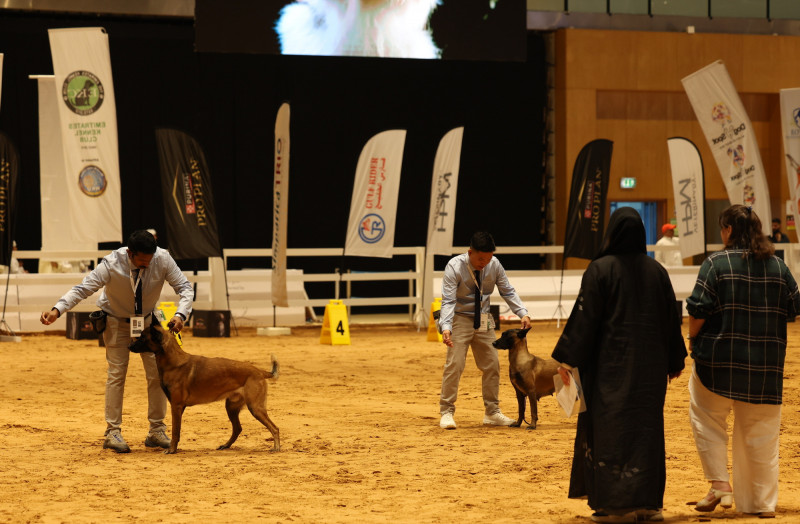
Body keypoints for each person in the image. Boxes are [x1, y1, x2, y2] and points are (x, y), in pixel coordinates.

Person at [552, 207, 687, 523]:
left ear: (611, 233)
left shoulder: (599, 270)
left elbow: (585, 320)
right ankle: (648, 505)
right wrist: (674, 359)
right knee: (646, 431)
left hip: (607, 370)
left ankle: (610, 505)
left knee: (608, 429)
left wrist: (568, 359)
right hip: (649, 371)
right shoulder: (657, 272)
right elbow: (671, 320)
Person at [686, 205, 800, 516]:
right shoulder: (778, 266)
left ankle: (720, 483)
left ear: (728, 230)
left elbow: (697, 311)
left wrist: (693, 339)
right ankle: (762, 504)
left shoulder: (715, 263)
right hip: (765, 368)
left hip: (717, 364)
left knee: (706, 418)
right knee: (762, 435)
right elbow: (794, 306)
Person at [40, 230, 194, 453]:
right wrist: (57, 310)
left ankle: (157, 430)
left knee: (157, 376)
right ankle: (112, 432)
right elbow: (83, 289)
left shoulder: (162, 258)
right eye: (142, 261)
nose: (147, 265)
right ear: (130, 253)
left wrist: (180, 314)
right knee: (116, 374)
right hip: (116, 321)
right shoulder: (111, 263)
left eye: (150, 260)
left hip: (148, 323)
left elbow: (185, 287)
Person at [437, 231, 531, 430]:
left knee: (492, 365)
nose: (484, 263)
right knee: (455, 365)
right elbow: (448, 301)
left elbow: (507, 290)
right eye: (481, 259)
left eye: (488, 259)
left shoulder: (494, 264)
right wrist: (446, 327)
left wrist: (522, 313)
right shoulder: (454, 266)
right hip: (459, 319)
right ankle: (447, 411)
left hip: (484, 320)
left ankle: (492, 412)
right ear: (470, 252)